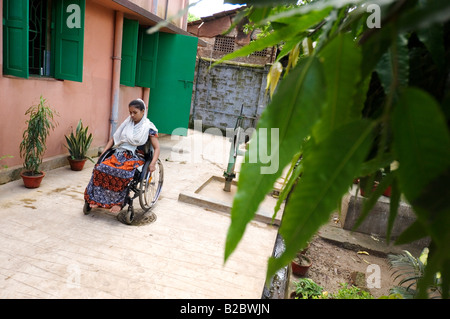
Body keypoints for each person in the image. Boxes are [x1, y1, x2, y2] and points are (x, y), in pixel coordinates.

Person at [84, 98, 160, 213]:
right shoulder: (127, 123)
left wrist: (153, 163)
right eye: (130, 112)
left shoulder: (149, 128)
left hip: (136, 157)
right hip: (119, 154)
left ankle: (118, 203)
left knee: (123, 173)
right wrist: (103, 153)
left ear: (143, 111)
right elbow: (114, 139)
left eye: (135, 112)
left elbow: (157, 148)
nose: (132, 115)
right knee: (100, 168)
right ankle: (97, 199)